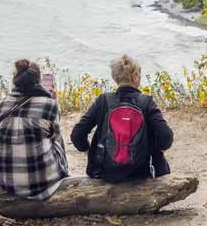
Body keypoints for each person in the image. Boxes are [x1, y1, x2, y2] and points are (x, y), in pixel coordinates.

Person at [70, 54, 173, 182]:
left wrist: (89, 152)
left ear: (115, 78)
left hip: (105, 174)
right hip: (140, 174)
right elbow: (166, 137)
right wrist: (158, 150)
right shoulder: (146, 102)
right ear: (134, 77)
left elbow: (77, 134)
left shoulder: (103, 101)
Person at [0, 59, 69, 200]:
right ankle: (64, 172)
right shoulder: (49, 104)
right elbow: (54, 135)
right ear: (38, 80)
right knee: (56, 136)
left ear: (16, 80)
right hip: (39, 184)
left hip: (3, 181)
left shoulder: (4, 102)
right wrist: (53, 101)